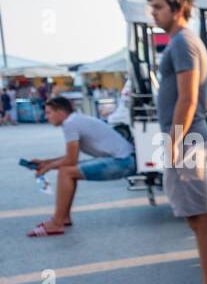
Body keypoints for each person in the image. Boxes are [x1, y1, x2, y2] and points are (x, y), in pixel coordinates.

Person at [148, 0, 207, 284]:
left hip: (186, 136)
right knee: (195, 215)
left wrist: (174, 141)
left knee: (199, 215)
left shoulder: (183, 42)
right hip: (185, 135)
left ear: (177, 8)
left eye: (158, 8)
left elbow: (189, 98)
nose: (153, 14)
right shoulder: (181, 42)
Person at [24, 96, 135, 237]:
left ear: (61, 112)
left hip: (123, 162)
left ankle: (56, 223)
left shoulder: (70, 123)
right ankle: (64, 218)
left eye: (49, 113)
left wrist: (49, 167)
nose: (46, 117)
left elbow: (70, 160)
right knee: (67, 171)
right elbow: (70, 158)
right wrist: (46, 162)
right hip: (124, 159)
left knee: (66, 172)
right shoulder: (74, 120)